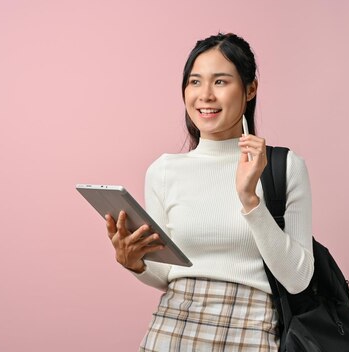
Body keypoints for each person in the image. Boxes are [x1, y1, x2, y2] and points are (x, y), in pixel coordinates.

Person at [104, 33, 314, 351]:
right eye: (194, 82)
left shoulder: (282, 167)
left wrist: (250, 200)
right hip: (172, 329)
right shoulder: (163, 171)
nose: (205, 95)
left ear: (250, 89)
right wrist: (136, 263)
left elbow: (298, 279)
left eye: (220, 82)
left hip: (252, 328)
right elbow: (167, 274)